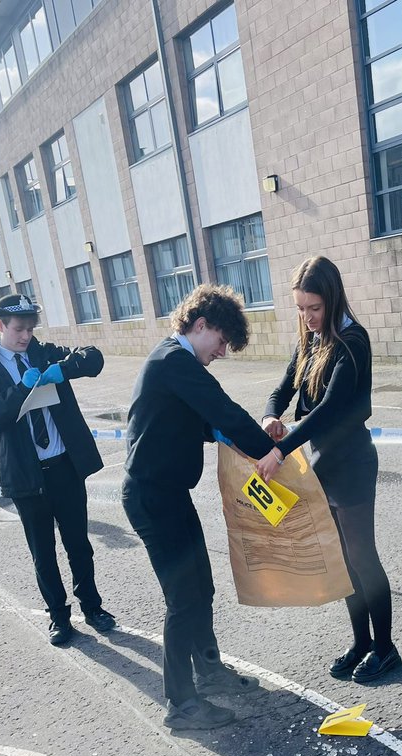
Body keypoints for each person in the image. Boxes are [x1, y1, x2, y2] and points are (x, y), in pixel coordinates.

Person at [123, 283, 276, 730]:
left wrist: (221, 435)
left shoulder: (173, 360)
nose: (223, 351)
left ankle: (208, 672)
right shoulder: (174, 360)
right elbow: (219, 407)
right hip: (153, 498)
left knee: (201, 589)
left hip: (169, 493)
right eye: (222, 340)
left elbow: (192, 418)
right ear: (201, 324)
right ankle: (182, 705)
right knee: (182, 599)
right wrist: (266, 450)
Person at [255, 255, 401, 683]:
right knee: (343, 562)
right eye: (300, 308)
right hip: (321, 464)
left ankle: (386, 647)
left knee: (363, 558)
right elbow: (282, 387)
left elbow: (330, 409)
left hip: (352, 463)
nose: (307, 317)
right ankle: (361, 642)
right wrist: (269, 416)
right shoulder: (309, 339)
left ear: (332, 300)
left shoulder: (353, 342)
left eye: (313, 308)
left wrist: (281, 452)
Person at [0, 293, 116, 647]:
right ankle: (59, 617)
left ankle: (93, 607)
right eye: (19, 329)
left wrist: (62, 369)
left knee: (79, 544)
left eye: (30, 329)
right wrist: (20, 389)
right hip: (25, 473)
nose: (25, 337)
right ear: (1, 326)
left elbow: (93, 359)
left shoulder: (42, 351)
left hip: (63, 464)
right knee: (43, 551)